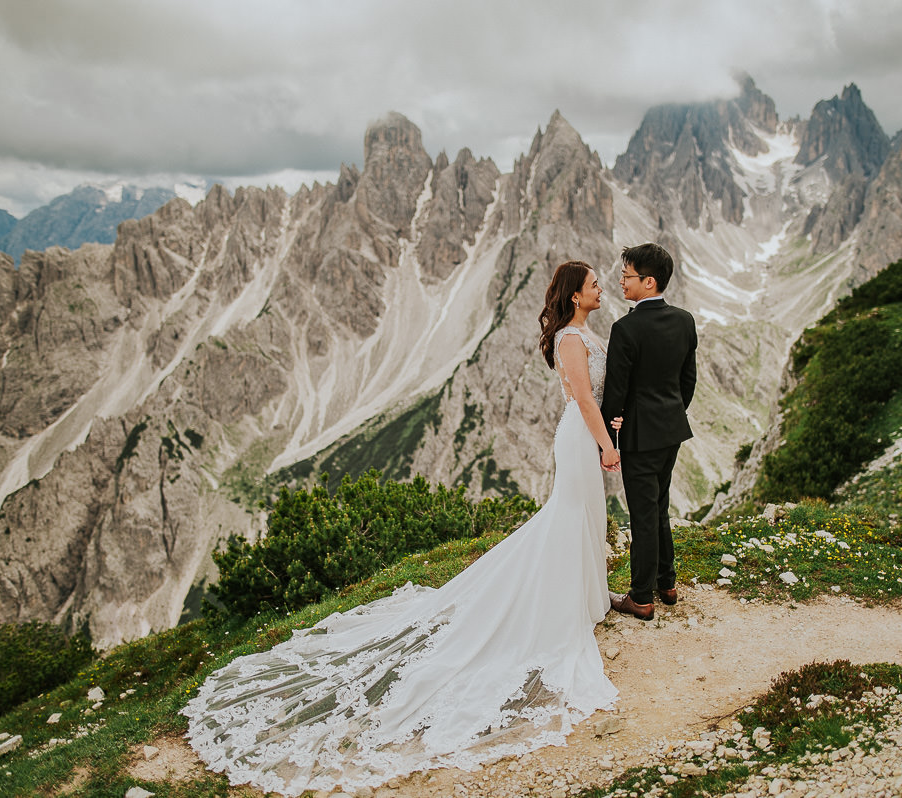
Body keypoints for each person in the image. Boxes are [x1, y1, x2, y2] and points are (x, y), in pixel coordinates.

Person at [182, 261, 621, 795]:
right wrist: (604, 442)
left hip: (583, 432)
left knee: (575, 517)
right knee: (567, 516)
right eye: (595, 283)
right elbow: (580, 397)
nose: (601, 289)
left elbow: (594, 396)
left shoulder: (583, 334)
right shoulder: (573, 340)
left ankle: (582, 597)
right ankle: (560, 604)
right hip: (579, 437)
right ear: (576, 296)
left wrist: (610, 422)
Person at [601, 243, 697, 621]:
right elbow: (687, 381)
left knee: (642, 513)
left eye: (627, 277)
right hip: (672, 431)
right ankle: (666, 582)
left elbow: (616, 393)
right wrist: (670, 414)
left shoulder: (626, 329)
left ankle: (640, 597)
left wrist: (609, 437)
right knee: (659, 505)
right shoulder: (685, 320)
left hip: (639, 437)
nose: (621, 282)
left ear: (649, 281)